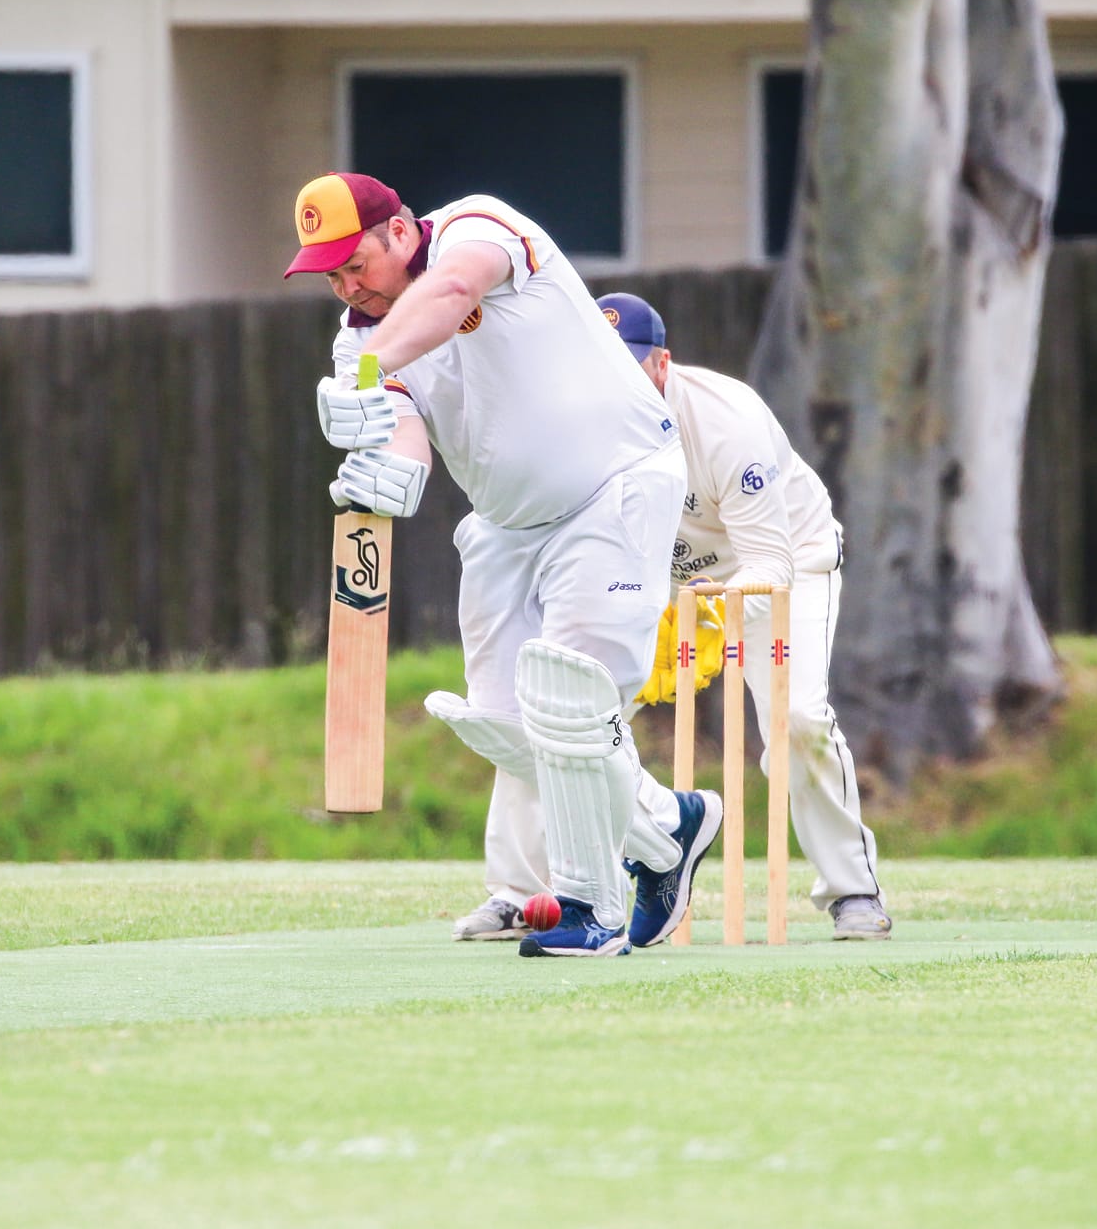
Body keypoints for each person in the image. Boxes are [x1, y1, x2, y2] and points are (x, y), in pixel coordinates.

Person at [286, 172, 719, 957]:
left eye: (357, 262)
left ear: (402, 232)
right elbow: (405, 432)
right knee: (509, 727)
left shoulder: (475, 228)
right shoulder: (358, 341)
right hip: (505, 525)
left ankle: (591, 909)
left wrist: (363, 372)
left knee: (571, 697)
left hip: (613, 488)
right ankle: (667, 831)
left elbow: (452, 291)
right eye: (332, 275)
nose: (349, 285)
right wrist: (389, 474)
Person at [594, 292, 891, 940]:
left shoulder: (727, 421)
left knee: (798, 721)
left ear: (661, 362)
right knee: (583, 714)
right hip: (671, 584)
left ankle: (852, 888)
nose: (617, 382)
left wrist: (712, 611)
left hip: (784, 565)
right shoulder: (581, 424)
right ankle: (606, 879)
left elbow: (770, 562)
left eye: (631, 365)